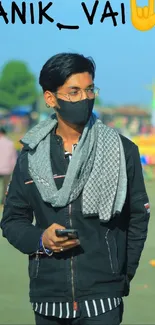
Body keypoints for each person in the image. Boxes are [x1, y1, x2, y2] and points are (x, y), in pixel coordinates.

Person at [0, 53, 150, 325]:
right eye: (74, 91)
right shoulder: (31, 155)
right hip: (48, 298)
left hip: (104, 298)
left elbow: (138, 217)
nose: (85, 98)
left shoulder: (122, 150)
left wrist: (121, 275)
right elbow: (12, 220)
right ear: (50, 98)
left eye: (89, 89)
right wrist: (41, 240)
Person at [0, 127, 17, 205]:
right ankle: (4, 201)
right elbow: (13, 157)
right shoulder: (10, 143)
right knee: (6, 186)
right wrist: (13, 167)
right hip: (7, 168)